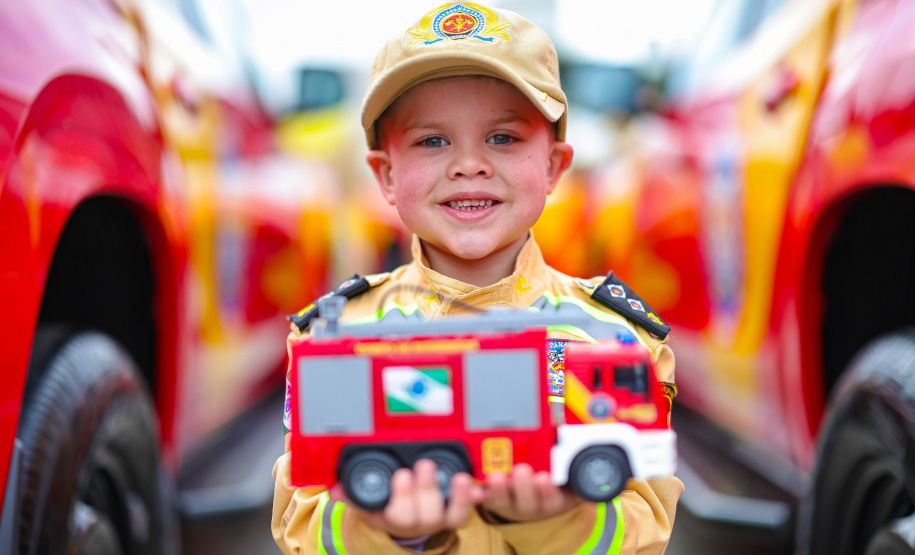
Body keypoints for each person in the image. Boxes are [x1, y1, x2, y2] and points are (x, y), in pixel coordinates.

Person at [272, 3, 682, 553]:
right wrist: (392, 530)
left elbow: (647, 526)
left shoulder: (620, 340)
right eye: (432, 141)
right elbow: (301, 526)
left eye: (504, 138)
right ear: (386, 174)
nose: (469, 164)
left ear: (555, 167)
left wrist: (557, 522)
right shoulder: (333, 336)